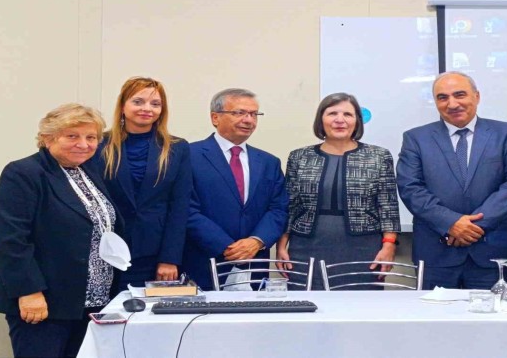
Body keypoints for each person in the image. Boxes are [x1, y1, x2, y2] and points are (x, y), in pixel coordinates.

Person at [0, 104, 124, 358]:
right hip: (45, 301)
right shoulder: (24, 173)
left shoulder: (88, 171)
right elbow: (11, 240)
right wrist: (28, 291)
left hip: (90, 302)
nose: (83, 144)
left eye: (91, 137)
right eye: (72, 136)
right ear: (48, 138)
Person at [396, 71, 507, 290]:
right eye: (443, 97)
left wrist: (473, 227)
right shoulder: (416, 138)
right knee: (435, 313)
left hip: (493, 250)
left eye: (460, 95)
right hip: (436, 251)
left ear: (476, 96)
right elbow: (410, 188)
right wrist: (451, 223)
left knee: (494, 312)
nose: (452, 104)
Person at [276, 93, 401, 290]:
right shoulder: (299, 157)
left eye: (348, 114)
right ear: (321, 120)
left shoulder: (379, 156)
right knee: (307, 302)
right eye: (332, 113)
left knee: (359, 305)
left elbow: (388, 205)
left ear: (357, 121)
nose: (340, 120)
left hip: (364, 249)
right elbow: (290, 205)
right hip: (306, 247)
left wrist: (389, 245)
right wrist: (281, 245)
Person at [183, 88, 288, 290]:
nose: (249, 120)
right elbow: (185, 208)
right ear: (215, 117)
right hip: (204, 261)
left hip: (255, 263)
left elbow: (278, 209)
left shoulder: (269, 162)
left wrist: (256, 241)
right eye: (239, 113)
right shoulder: (188, 155)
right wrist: (227, 246)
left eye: (254, 114)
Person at [97, 77, 192, 289]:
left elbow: (180, 206)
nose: (147, 109)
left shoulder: (176, 147)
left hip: (154, 253)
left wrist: (170, 257)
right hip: (106, 250)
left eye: (155, 104)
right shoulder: (99, 144)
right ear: (123, 105)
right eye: (138, 101)